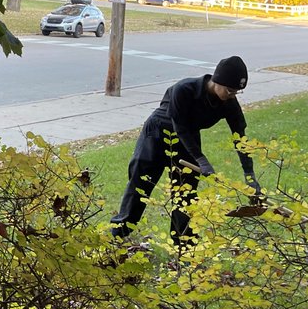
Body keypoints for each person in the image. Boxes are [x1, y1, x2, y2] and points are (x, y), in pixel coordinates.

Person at [111, 56, 259, 246]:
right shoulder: (185, 89)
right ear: (217, 81)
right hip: (158, 132)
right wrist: (201, 159)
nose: (233, 95)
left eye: (237, 92)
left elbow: (240, 137)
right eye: (230, 90)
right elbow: (179, 126)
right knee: (140, 186)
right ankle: (117, 236)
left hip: (189, 140)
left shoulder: (229, 103)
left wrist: (249, 175)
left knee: (186, 193)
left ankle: (184, 246)